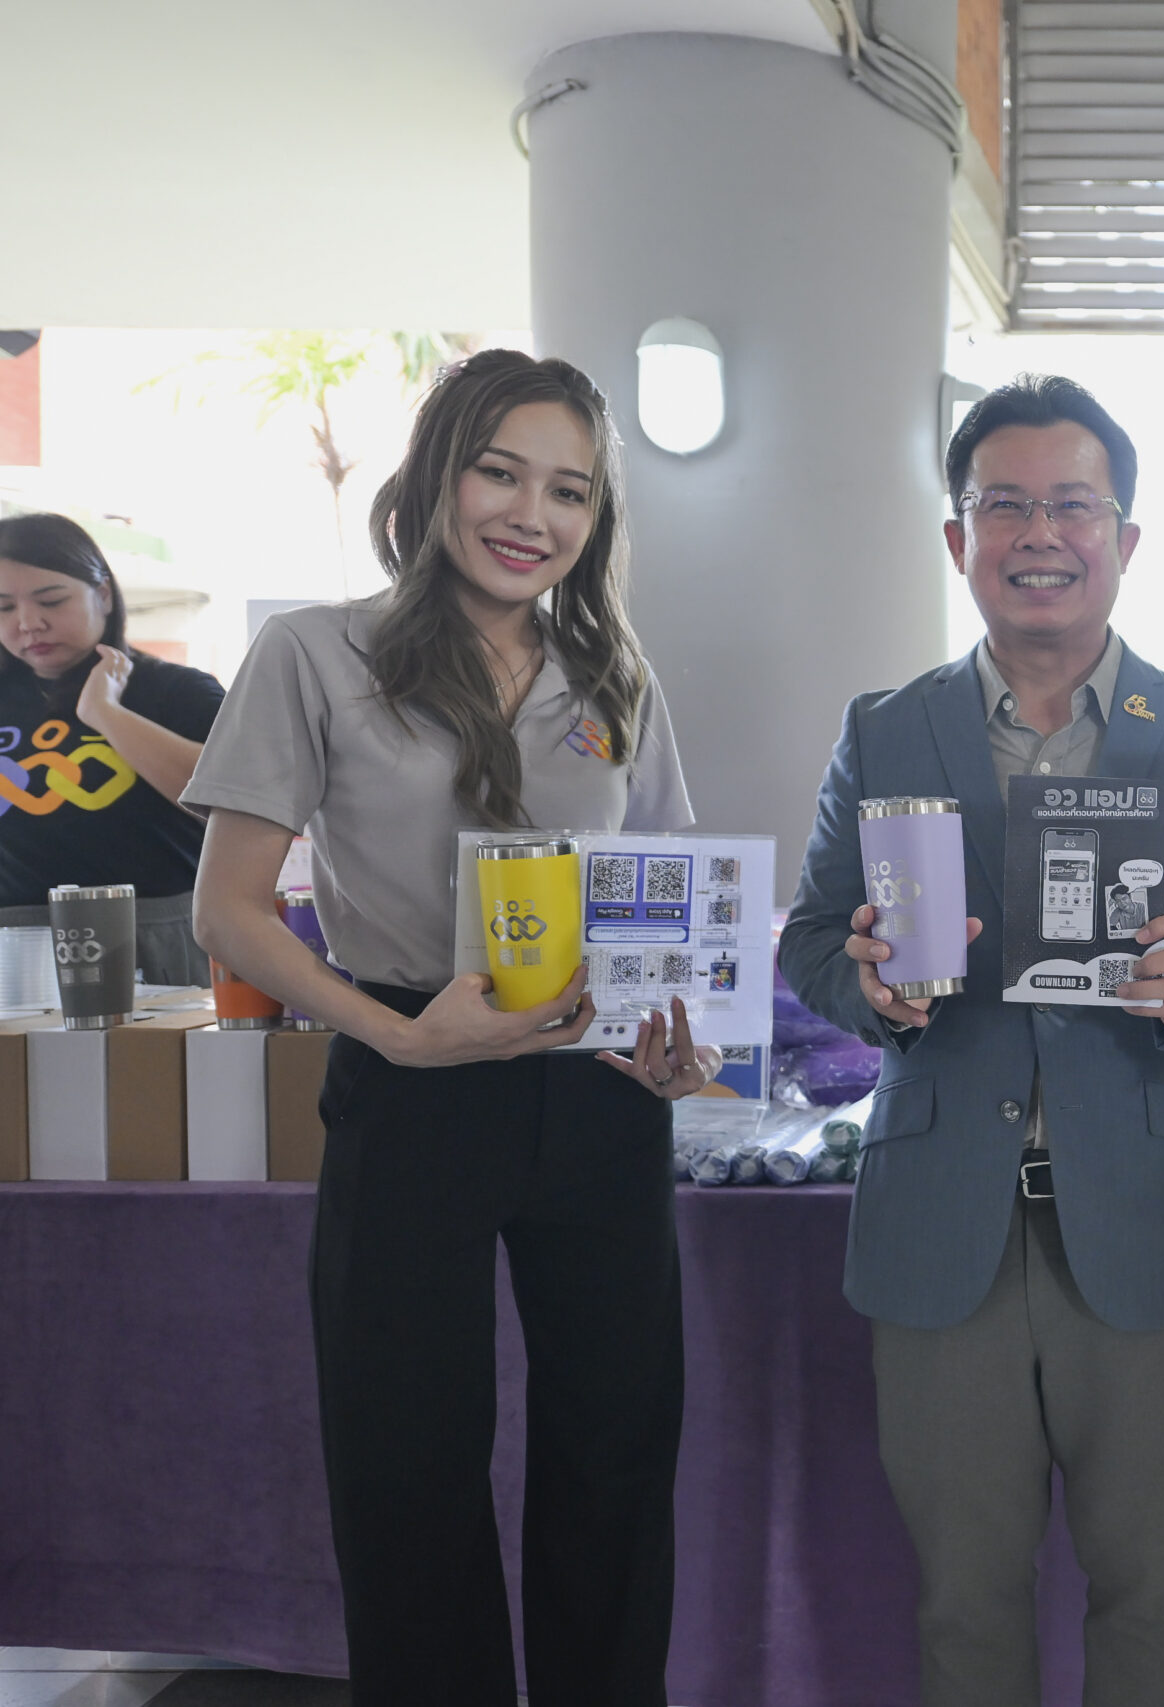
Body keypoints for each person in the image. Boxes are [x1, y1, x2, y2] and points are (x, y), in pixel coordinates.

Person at [186, 350, 707, 1706]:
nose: (532, 514)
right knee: (405, 1462)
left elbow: (664, 894)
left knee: (616, 1452)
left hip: (597, 1085)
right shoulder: (317, 652)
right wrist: (398, 1037)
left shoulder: (614, 672)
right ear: (435, 479)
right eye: (499, 472)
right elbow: (228, 910)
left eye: (570, 491)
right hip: (410, 1070)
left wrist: (683, 1041)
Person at [779, 375, 1164, 1706]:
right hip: (945, 1228)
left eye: (1072, 505)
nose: (1039, 533)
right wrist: (868, 984)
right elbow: (809, 938)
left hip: (1146, 1219)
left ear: (1125, 536)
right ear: (958, 537)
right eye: (1004, 505)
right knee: (964, 1598)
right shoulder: (885, 729)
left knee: (1150, 1589)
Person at [0, 511, 225, 983]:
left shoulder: (177, 691)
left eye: (52, 600)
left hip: (156, 936)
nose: (28, 623)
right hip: (16, 946)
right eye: (3, 607)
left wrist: (104, 712)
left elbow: (224, 800)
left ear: (103, 594)